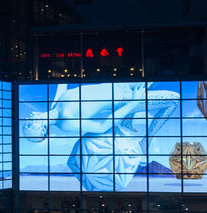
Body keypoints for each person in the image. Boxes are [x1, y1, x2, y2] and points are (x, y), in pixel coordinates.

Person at [23, 82, 179, 192]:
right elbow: (102, 126)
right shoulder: (66, 122)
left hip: (119, 85)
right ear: (43, 129)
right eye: (30, 127)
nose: (29, 120)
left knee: (157, 76)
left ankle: (129, 119)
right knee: (173, 99)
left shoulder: (56, 105)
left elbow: (60, 84)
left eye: (27, 124)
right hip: (124, 99)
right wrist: (134, 103)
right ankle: (146, 141)